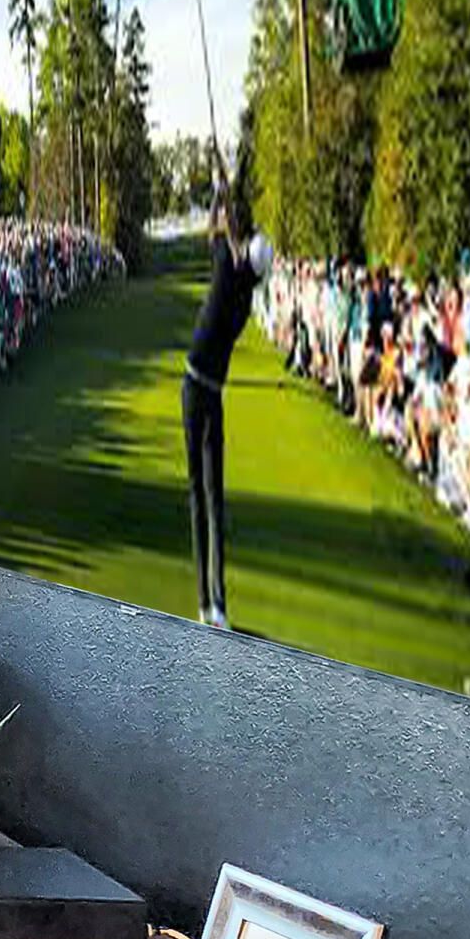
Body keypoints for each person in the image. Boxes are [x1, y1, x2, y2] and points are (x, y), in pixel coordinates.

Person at [182, 203, 271, 629]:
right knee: (213, 498)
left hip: (194, 388)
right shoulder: (246, 296)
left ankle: (205, 602)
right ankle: (217, 604)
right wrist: (232, 232)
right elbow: (226, 240)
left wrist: (219, 199)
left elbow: (215, 231)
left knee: (198, 495)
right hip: (213, 395)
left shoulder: (223, 270)